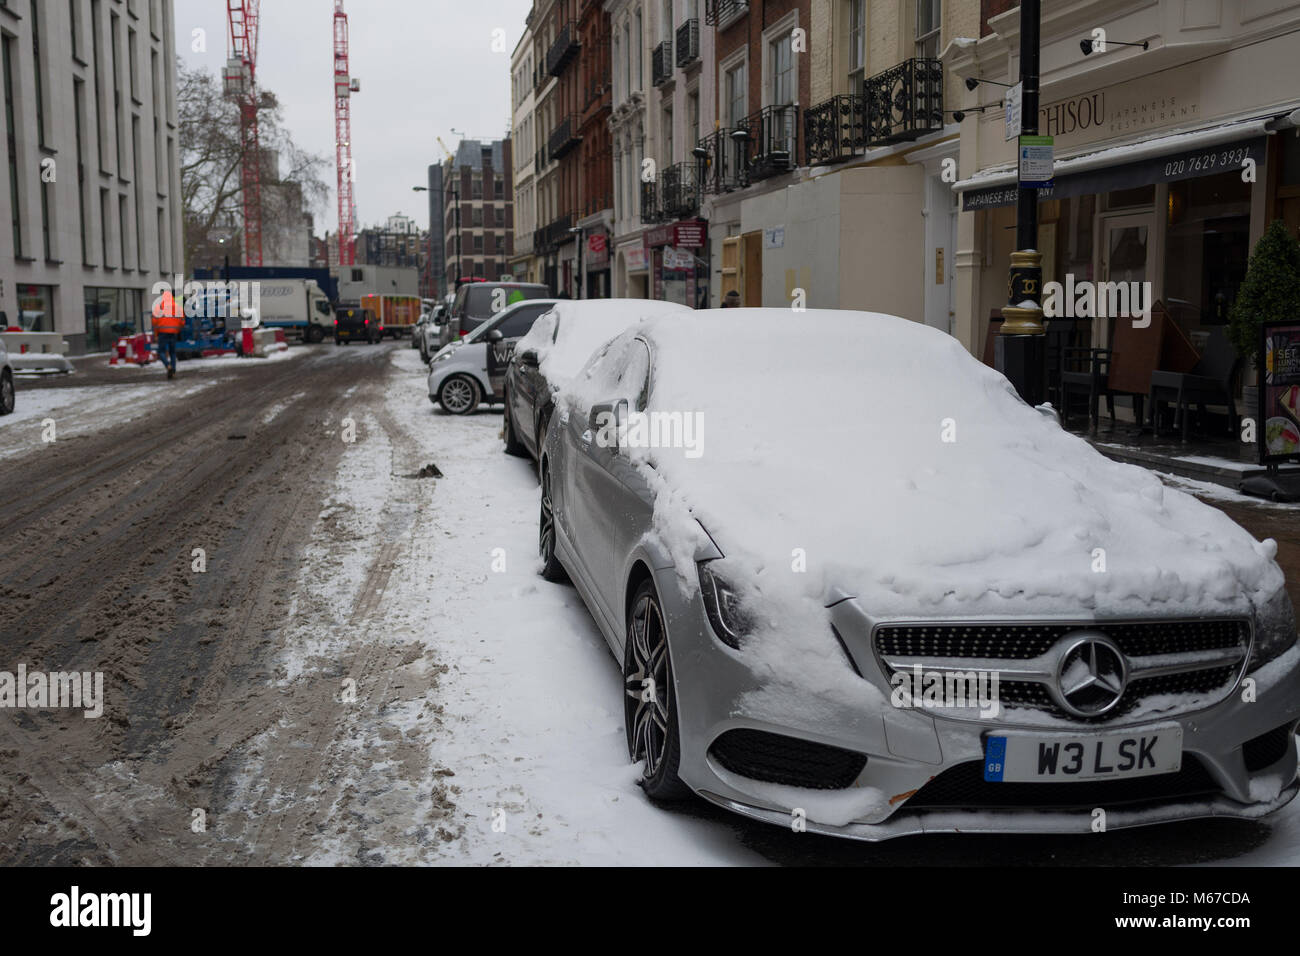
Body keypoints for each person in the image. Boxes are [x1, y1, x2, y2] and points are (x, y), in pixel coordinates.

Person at [152, 289, 185, 379]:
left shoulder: (159, 308)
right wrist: (177, 329)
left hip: (162, 332)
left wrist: (155, 335)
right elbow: (182, 322)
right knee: (172, 352)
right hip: (173, 332)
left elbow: (154, 322)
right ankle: (173, 370)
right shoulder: (178, 307)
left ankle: (168, 366)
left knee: (161, 352)